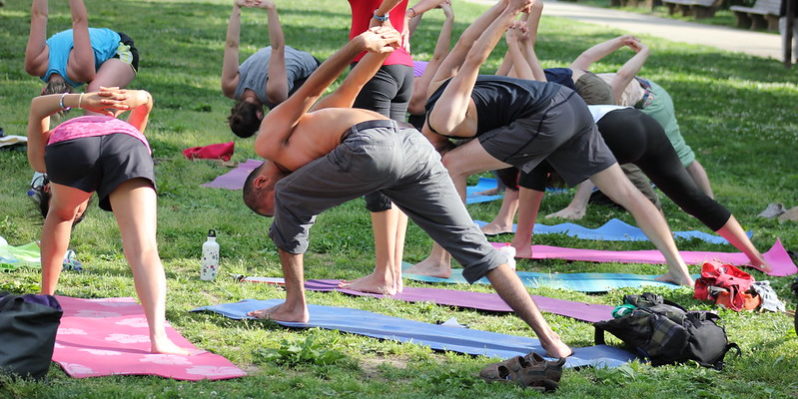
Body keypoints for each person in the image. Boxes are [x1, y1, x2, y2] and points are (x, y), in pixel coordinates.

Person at [241, 19, 572, 358]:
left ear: (260, 181)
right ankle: (550, 339)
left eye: (271, 209)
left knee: (290, 195)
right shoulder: (317, 131)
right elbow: (355, 84)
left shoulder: (269, 139)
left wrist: (358, 47)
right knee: (474, 247)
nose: (279, 216)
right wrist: (381, 52)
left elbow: (312, 87)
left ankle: (294, 305)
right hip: (415, 148)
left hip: (376, 146)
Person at [408, 0, 694, 287]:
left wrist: (507, 12)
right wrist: (504, 8)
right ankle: (679, 270)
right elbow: (467, 41)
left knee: (452, 165)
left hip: (548, 113)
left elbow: (474, 58)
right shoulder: (438, 84)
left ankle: (439, 261)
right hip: (569, 102)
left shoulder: (444, 118)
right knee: (625, 191)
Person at [502, 104, 771, 273]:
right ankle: (755, 256)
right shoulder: (551, 116)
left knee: (630, 198)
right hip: (641, 123)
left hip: (614, 130)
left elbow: (531, 187)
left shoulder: (533, 141)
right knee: (693, 199)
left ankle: (522, 244)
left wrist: (521, 243)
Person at [27, 88, 192, 355]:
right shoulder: (119, 137)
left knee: (60, 214)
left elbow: (38, 106)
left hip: (75, 147)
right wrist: (143, 99)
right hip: (125, 144)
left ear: (47, 188)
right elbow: (139, 119)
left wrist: (82, 100)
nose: (80, 207)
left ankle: (46, 299)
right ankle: (158, 338)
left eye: (78, 209)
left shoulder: (41, 160)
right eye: (83, 209)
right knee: (144, 247)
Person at [338, 0, 446, 295]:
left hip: (376, 65)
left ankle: (384, 275)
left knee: (378, 164)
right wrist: (406, 19)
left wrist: (382, 15)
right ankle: (392, 273)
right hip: (398, 66)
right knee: (394, 169)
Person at [222, 0, 320, 138]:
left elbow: (278, 48)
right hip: (272, 58)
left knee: (286, 116)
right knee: (278, 112)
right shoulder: (229, 87)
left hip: (308, 68)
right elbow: (231, 46)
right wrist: (236, 8)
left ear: (259, 114)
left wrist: (271, 8)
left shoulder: (274, 92)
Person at [24, 0, 139, 100]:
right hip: (103, 50)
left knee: (96, 93)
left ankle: (138, 100)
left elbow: (80, 21)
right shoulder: (34, 64)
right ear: (43, 91)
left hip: (120, 48)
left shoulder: (80, 70)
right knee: (98, 96)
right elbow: (39, 16)